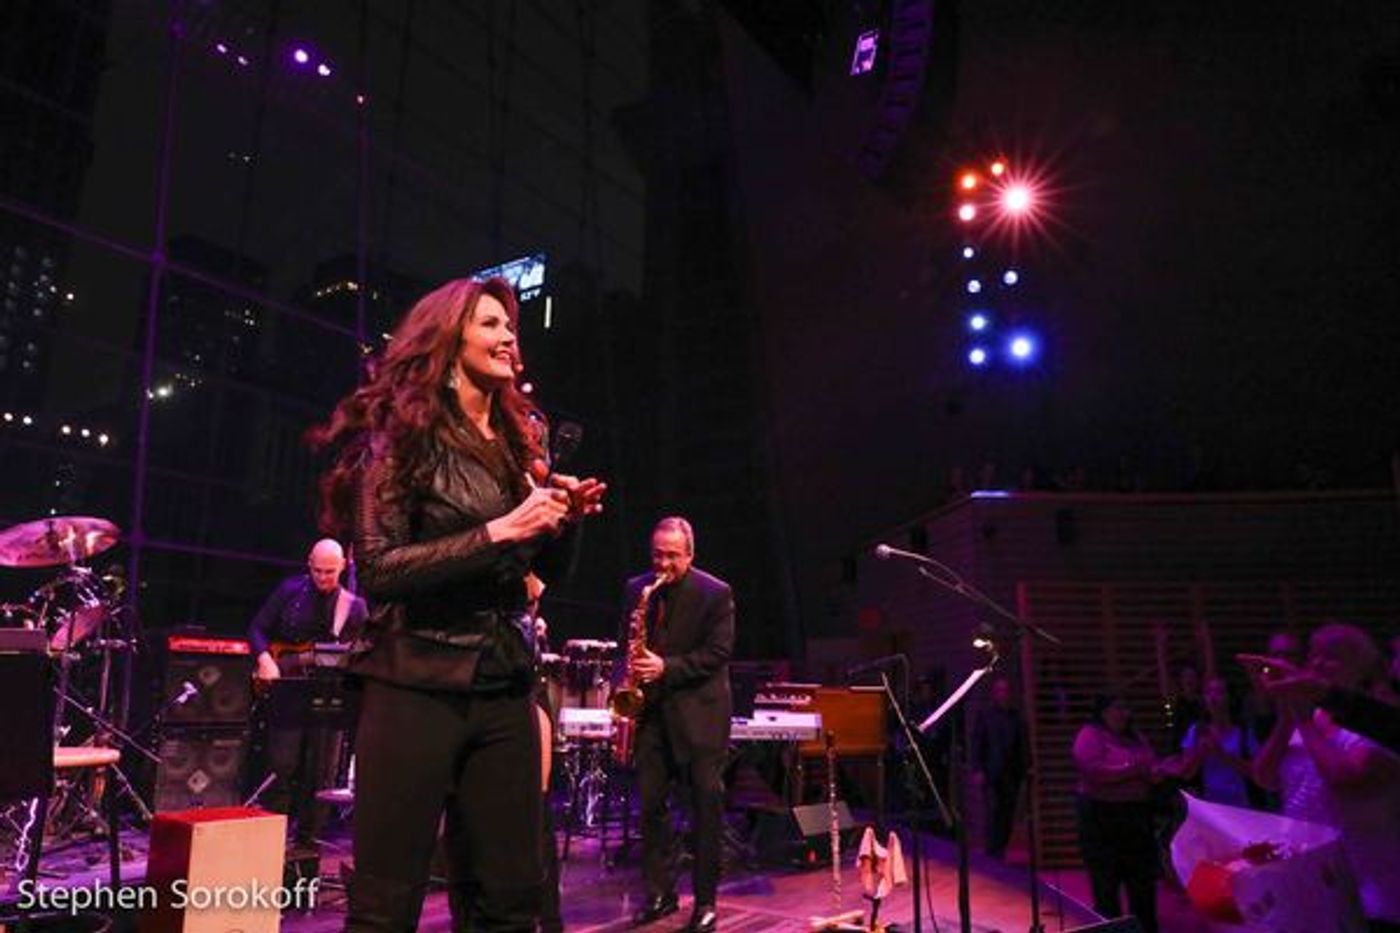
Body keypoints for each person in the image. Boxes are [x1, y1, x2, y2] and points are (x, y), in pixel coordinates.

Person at [311, 276, 605, 931]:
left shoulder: (516, 439)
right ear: (450, 336)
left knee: (508, 896)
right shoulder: (397, 435)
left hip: (502, 682)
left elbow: (544, 572)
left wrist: (565, 517)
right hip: (413, 681)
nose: (510, 339)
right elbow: (381, 569)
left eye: (512, 328)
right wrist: (501, 529)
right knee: (387, 902)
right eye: (493, 324)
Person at [624, 516, 734, 933]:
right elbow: (628, 641)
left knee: (705, 810)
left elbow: (718, 653)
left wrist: (664, 667)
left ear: (690, 554)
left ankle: (705, 903)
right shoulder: (636, 589)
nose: (664, 564)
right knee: (651, 807)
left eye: (672, 556)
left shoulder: (715, 593)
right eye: (657, 555)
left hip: (700, 717)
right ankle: (659, 892)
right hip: (652, 715)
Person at [1252, 624, 1400, 931]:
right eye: (1313, 655)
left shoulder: (1378, 722)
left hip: (1364, 876)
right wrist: (1287, 716)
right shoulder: (1312, 718)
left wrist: (1304, 718)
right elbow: (1265, 778)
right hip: (1309, 870)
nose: (1317, 664)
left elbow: (1346, 781)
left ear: (1361, 668)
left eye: (1331, 657)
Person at [247, 537, 368, 846]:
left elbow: (364, 652)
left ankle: (308, 846)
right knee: (281, 767)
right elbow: (257, 628)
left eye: (330, 571)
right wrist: (264, 659)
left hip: (329, 695)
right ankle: (271, 844)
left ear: (343, 566)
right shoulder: (290, 590)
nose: (324, 578)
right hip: (288, 691)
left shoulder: (354, 608)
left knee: (321, 778)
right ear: (308, 564)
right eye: (317, 571)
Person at [1072, 693, 1168, 933]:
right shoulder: (1090, 734)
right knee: (1106, 892)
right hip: (1102, 822)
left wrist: (1158, 772)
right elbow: (1093, 771)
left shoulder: (1135, 738)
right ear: (1103, 712)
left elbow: (1151, 767)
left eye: (1127, 707)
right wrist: (1132, 770)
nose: (1125, 713)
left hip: (1136, 821)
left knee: (1143, 891)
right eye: (1118, 708)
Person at [970, 675, 1028, 859]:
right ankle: (992, 852)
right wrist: (977, 769)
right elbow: (978, 743)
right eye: (1000, 690)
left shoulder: (1016, 717)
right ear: (994, 694)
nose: (1004, 694)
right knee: (993, 813)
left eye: (1006, 690)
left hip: (1012, 774)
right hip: (991, 773)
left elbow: (1022, 745)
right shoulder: (986, 716)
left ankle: (1000, 850)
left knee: (1008, 814)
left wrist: (1027, 768)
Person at [1178, 676, 1253, 807]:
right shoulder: (1197, 731)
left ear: (1230, 697)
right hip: (1208, 807)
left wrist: (1222, 755)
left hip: (1241, 805)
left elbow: (1255, 772)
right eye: (1208, 692)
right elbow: (1186, 774)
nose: (1213, 697)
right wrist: (1199, 753)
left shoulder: (1244, 731)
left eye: (1219, 692)